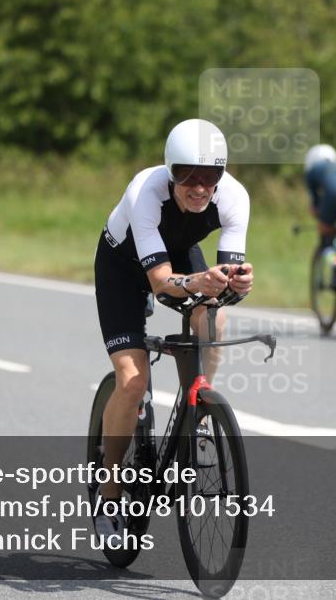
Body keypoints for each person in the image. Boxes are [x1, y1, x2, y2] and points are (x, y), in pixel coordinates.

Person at [93, 118, 253, 541]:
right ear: (170, 172)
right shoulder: (147, 193)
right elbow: (162, 281)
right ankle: (109, 494)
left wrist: (235, 283)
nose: (200, 187)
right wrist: (197, 282)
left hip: (179, 255)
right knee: (132, 381)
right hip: (123, 268)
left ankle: (197, 413)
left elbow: (226, 272)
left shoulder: (234, 197)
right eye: (187, 176)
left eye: (210, 176)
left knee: (214, 314)